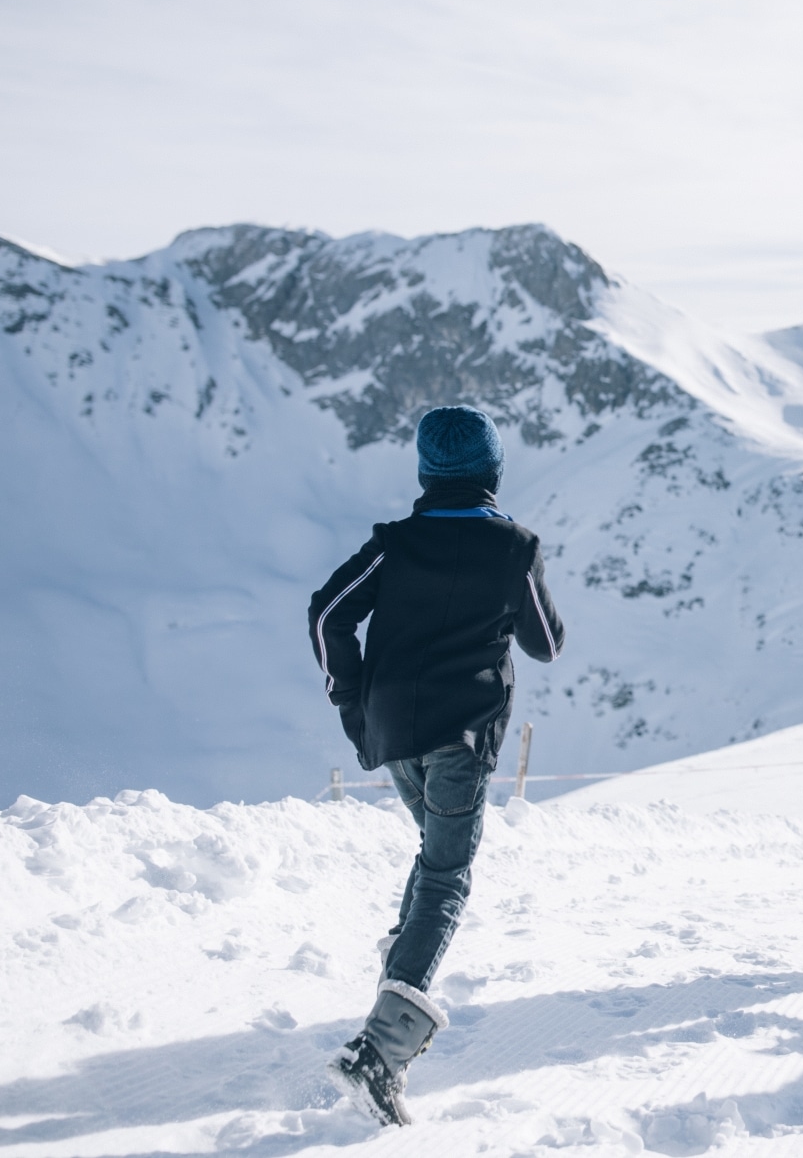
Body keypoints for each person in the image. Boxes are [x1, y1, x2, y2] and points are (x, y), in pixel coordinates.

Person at [307, 405, 566, 1125]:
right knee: (449, 873)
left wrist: (351, 699)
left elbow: (329, 614)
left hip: (392, 733)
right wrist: (518, 583)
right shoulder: (513, 546)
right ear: (493, 470)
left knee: (434, 856)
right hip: (462, 732)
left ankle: (401, 958)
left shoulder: (396, 543)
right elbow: (546, 641)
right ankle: (381, 1049)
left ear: (426, 472)